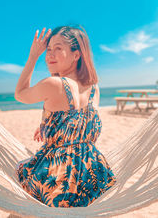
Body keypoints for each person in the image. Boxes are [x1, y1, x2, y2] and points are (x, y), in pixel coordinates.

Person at [14, 25, 117, 207]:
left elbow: (20, 93)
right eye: (48, 50)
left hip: (56, 180)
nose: (49, 55)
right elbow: (78, 124)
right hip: (92, 178)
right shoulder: (95, 89)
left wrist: (33, 56)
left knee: (17, 172)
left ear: (76, 55)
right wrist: (50, 126)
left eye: (58, 48)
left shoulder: (54, 84)